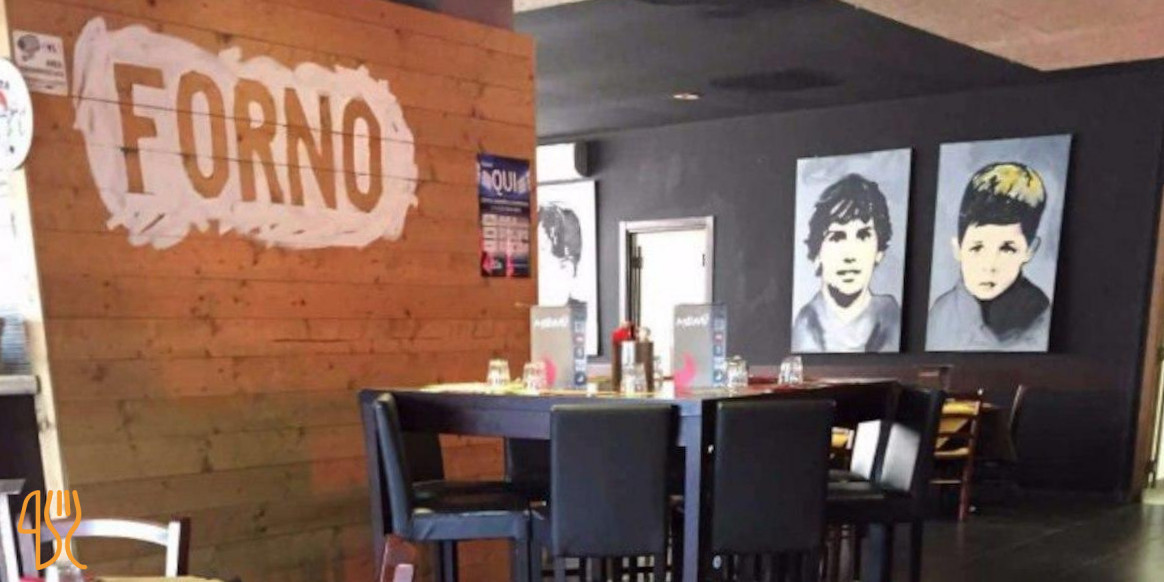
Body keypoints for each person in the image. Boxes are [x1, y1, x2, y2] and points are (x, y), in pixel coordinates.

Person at [927, 162, 1051, 351]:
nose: (989, 265)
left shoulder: (1041, 318)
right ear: (957, 248)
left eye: (1007, 249)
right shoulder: (940, 312)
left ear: (1030, 250)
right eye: (977, 248)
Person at [792, 173, 901, 352]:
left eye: (863, 236)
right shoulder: (806, 325)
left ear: (879, 252)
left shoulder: (891, 316)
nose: (850, 255)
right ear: (817, 252)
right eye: (837, 237)